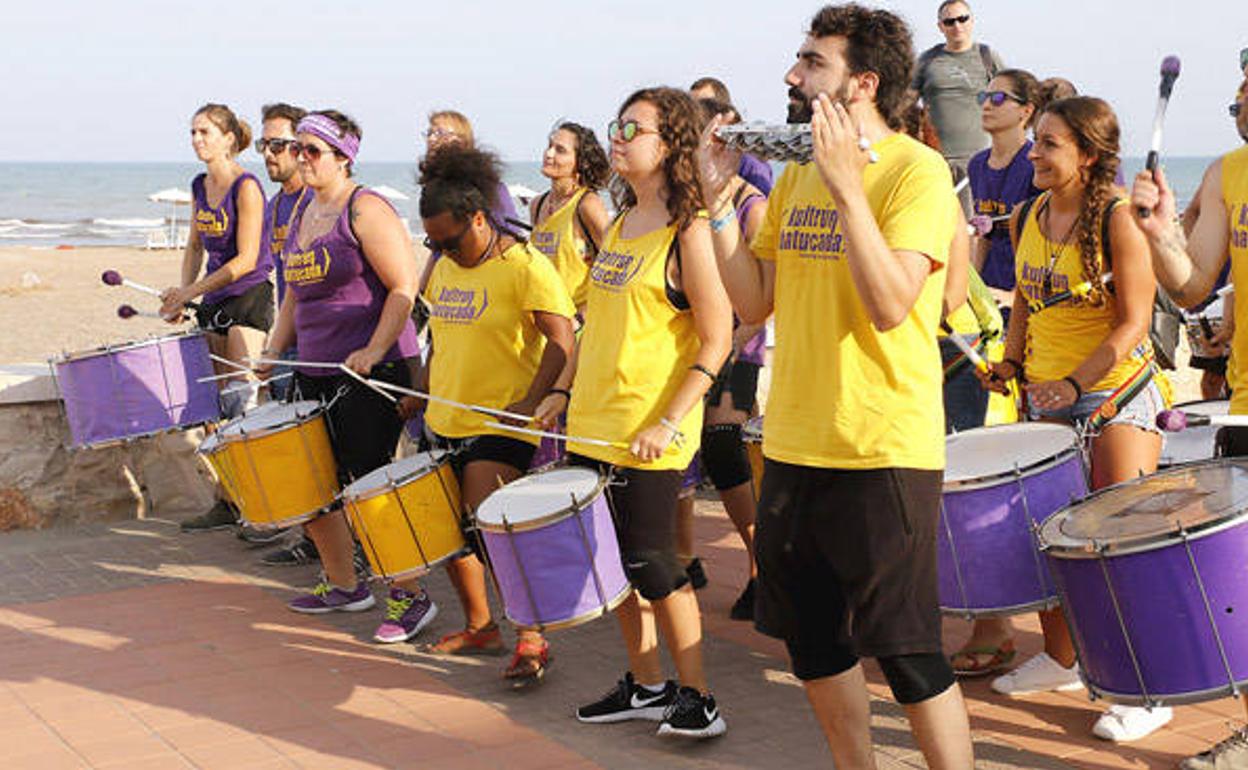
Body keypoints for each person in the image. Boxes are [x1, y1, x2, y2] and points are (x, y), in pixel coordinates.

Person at [697, 5, 974, 766]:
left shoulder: (917, 174)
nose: (792, 75)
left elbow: (892, 306)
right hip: (795, 443)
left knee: (909, 652)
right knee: (814, 642)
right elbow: (753, 301)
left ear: (863, 83)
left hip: (882, 446)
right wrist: (719, 204)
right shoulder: (791, 177)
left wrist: (850, 188)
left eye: (812, 63)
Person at [535, 86, 733, 739]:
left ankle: (699, 696)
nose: (618, 136)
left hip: (649, 430)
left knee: (655, 564)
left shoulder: (690, 229)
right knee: (614, 566)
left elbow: (716, 337)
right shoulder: (619, 224)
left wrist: (670, 420)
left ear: (670, 143)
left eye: (634, 127)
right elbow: (598, 324)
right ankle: (648, 685)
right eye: (615, 125)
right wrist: (561, 392)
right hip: (594, 421)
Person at [981, 96, 1174, 742]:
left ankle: (1150, 689)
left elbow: (1134, 323)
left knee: (1118, 547)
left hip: (1116, 393)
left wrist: (1074, 383)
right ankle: (1061, 659)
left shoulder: (1117, 219)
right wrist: (1010, 364)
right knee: (1047, 542)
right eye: (1035, 141)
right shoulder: (1028, 214)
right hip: (1047, 395)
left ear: (1088, 155)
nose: (1033, 154)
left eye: (1049, 144)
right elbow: (1025, 306)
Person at [387, 145, 576, 686]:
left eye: (451, 238)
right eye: (433, 242)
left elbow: (562, 340)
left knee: (490, 525)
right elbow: (438, 341)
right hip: (444, 418)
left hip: (500, 424)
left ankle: (533, 636)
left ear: (478, 218)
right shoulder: (445, 270)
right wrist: (420, 391)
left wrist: (534, 400)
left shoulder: (524, 267)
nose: (443, 249)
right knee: (448, 529)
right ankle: (480, 626)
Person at [1130, 70, 1248, 770]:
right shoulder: (1227, 173)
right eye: (1238, 98)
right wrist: (1157, 231)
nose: (1240, 108)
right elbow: (1192, 281)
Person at [257, 110, 420, 616]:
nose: (299, 158)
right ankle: (346, 584)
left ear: (344, 158)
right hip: (313, 367)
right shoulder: (304, 209)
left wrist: (373, 349)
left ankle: (411, 596)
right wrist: (272, 349)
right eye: (295, 148)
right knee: (313, 484)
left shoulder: (365, 208)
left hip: (370, 372)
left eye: (312, 150)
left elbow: (404, 286)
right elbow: (293, 298)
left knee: (369, 485)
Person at [944, 68, 1041, 678]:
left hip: (1031, 312)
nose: (985, 103)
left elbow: (1039, 240)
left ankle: (1003, 621)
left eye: (997, 96)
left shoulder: (1036, 161)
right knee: (973, 452)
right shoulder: (979, 165)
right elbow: (977, 243)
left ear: (1027, 111)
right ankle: (992, 617)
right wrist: (977, 297)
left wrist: (1015, 298)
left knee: (1006, 464)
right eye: (982, 95)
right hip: (988, 316)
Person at [674, 96, 770, 621]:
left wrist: (740, 335)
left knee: (725, 446)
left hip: (739, 345)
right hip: (691, 345)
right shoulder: (685, 201)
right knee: (696, 453)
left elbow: (767, 291)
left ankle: (762, 566)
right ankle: (684, 560)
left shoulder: (751, 202)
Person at [169, 103, 272, 533]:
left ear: (229, 138)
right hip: (211, 298)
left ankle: (261, 506)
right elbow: (195, 246)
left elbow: (247, 259)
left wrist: (191, 291)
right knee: (214, 408)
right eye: (193, 132)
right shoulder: (199, 185)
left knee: (241, 406)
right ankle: (227, 500)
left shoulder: (246, 187)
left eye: (206, 132)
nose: (197, 140)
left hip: (248, 299)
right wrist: (181, 296)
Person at [911, 0, 1004, 218]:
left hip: (978, 160)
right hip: (936, 160)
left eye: (962, 19)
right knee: (936, 224)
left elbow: (1010, 99)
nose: (957, 26)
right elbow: (904, 104)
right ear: (941, 26)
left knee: (974, 227)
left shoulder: (987, 57)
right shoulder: (927, 61)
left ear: (971, 21)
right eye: (950, 21)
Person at [529, 122, 611, 310]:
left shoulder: (587, 205)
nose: (549, 154)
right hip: (546, 318)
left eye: (560, 150)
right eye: (549, 146)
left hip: (577, 322)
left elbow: (612, 269)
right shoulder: (537, 205)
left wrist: (582, 317)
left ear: (580, 162)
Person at [689, 78, 774, 195]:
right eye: (691, 106)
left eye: (705, 104)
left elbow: (764, 206)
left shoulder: (751, 162)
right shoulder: (690, 157)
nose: (697, 112)